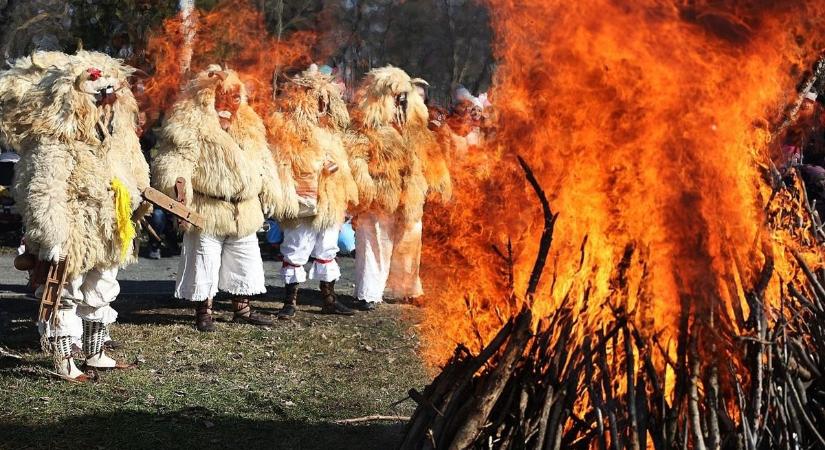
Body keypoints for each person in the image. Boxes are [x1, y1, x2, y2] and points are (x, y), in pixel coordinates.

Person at [2, 50, 150, 380]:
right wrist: (52, 237)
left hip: (110, 224)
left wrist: (140, 197)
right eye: (99, 96)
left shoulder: (115, 135)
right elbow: (44, 189)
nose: (107, 102)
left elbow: (134, 167)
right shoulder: (54, 140)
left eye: (110, 95)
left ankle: (96, 353)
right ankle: (64, 360)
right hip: (72, 226)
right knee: (64, 292)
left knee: (102, 285)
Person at [152, 64, 295, 332]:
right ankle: (203, 312)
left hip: (244, 210)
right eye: (220, 98)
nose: (227, 104)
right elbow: (175, 160)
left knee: (244, 261)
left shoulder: (250, 127)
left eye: (234, 97)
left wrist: (274, 191)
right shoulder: (191, 126)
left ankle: (242, 309)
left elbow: (263, 161)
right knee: (204, 260)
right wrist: (178, 188)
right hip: (208, 209)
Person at [347, 66, 444, 310]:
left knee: (410, 241)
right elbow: (356, 156)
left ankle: (408, 288)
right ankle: (369, 292)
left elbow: (430, 156)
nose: (399, 104)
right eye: (395, 98)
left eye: (403, 98)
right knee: (375, 242)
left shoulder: (415, 128)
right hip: (379, 196)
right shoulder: (366, 126)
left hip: (409, 195)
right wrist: (366, 185)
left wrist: (437, 181)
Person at [268, 64, 357, 318]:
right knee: (296, 248)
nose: (321, 104)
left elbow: (340, 161)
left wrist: (338, 178)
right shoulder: (287, 127)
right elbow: (282, 162)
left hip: (329, 200)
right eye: (317, 98)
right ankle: (290, 301)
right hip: (302, 199)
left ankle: (329, 299)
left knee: (328, 247)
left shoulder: (330, 130)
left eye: (324, 99)